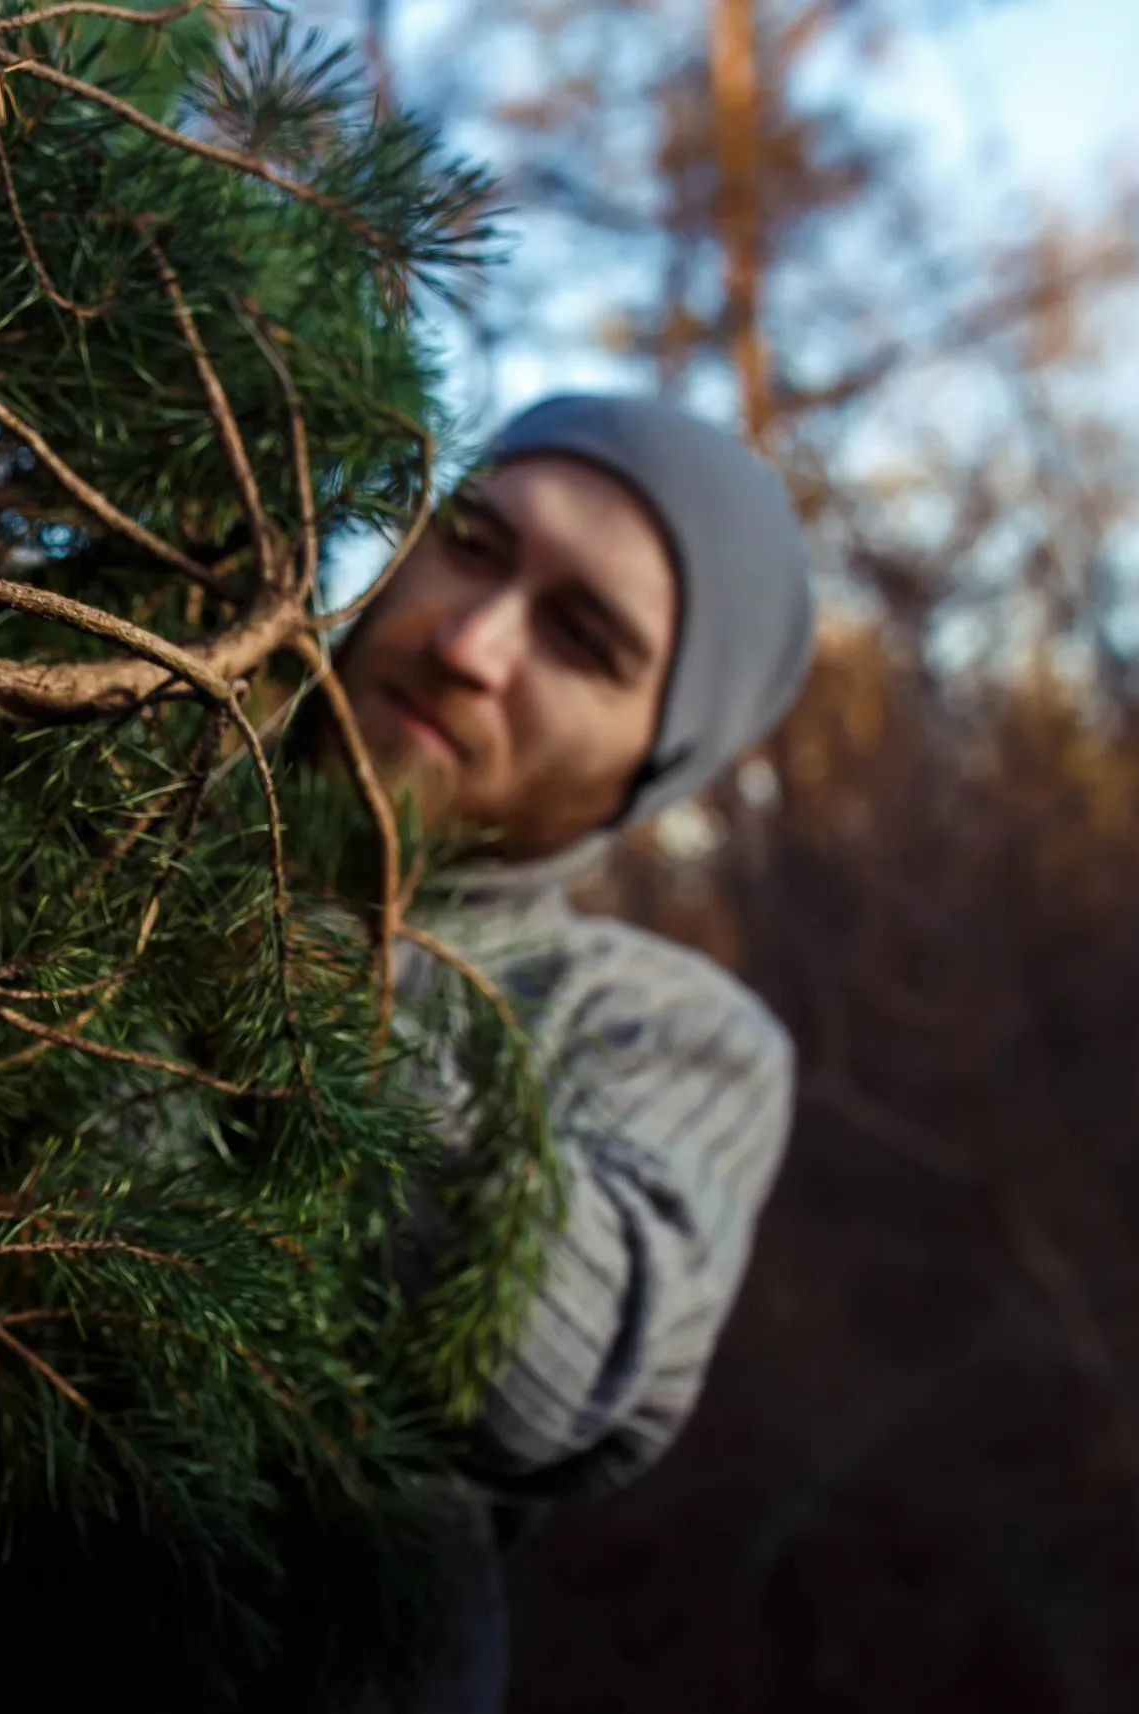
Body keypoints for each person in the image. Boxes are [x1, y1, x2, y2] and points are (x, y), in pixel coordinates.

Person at [282, 393, 817, 1711]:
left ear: (654, 765)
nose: (470, 641)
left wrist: (262, 926)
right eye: (470, 540)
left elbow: (545, 1369)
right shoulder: (87, 763)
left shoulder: (665, 1030)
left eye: (583, 638)